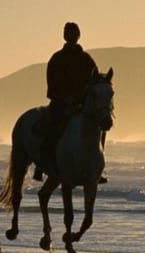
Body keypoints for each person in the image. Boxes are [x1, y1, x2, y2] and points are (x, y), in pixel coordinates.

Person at [33, 22, 107, 183]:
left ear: (78, 35)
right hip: (61, 102)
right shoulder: (57, 59)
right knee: (53, 125)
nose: (72, 36)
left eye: (74, 33)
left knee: (100, 127)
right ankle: (41, 164)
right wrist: (65, 98)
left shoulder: (87, 59)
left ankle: (97, 168)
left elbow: (94, 80)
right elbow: (52, 83)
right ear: (65, 36)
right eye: (69, 33)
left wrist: (85, 99)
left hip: (82, 103)